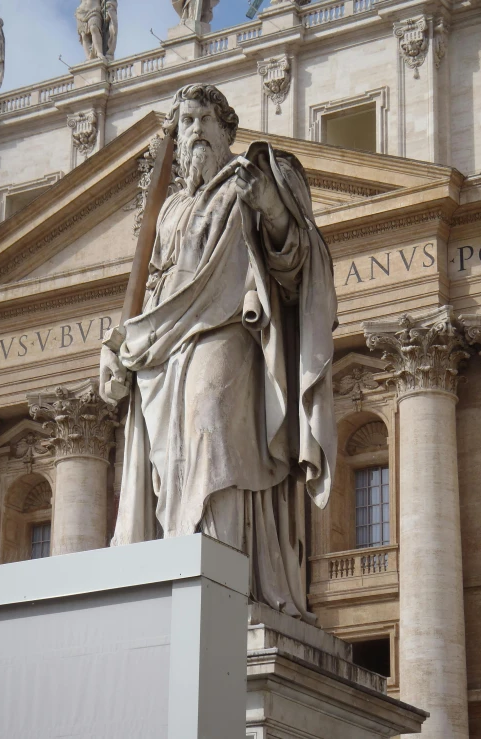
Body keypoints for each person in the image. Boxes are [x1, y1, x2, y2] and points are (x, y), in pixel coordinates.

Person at [100, 84, 337, 622]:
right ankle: (178, 575)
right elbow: (150, 283)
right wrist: (123, 343)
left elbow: (297, 262)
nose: (197, 129)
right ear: (178, 139)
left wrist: (272, 208)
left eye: (207, 118)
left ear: (228, 129)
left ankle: (223, 581)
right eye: (186, 121)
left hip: (228, 330)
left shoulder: (250, 181)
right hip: (164, 349)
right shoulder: (171, 210)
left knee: (212, 439)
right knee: (169, 466)